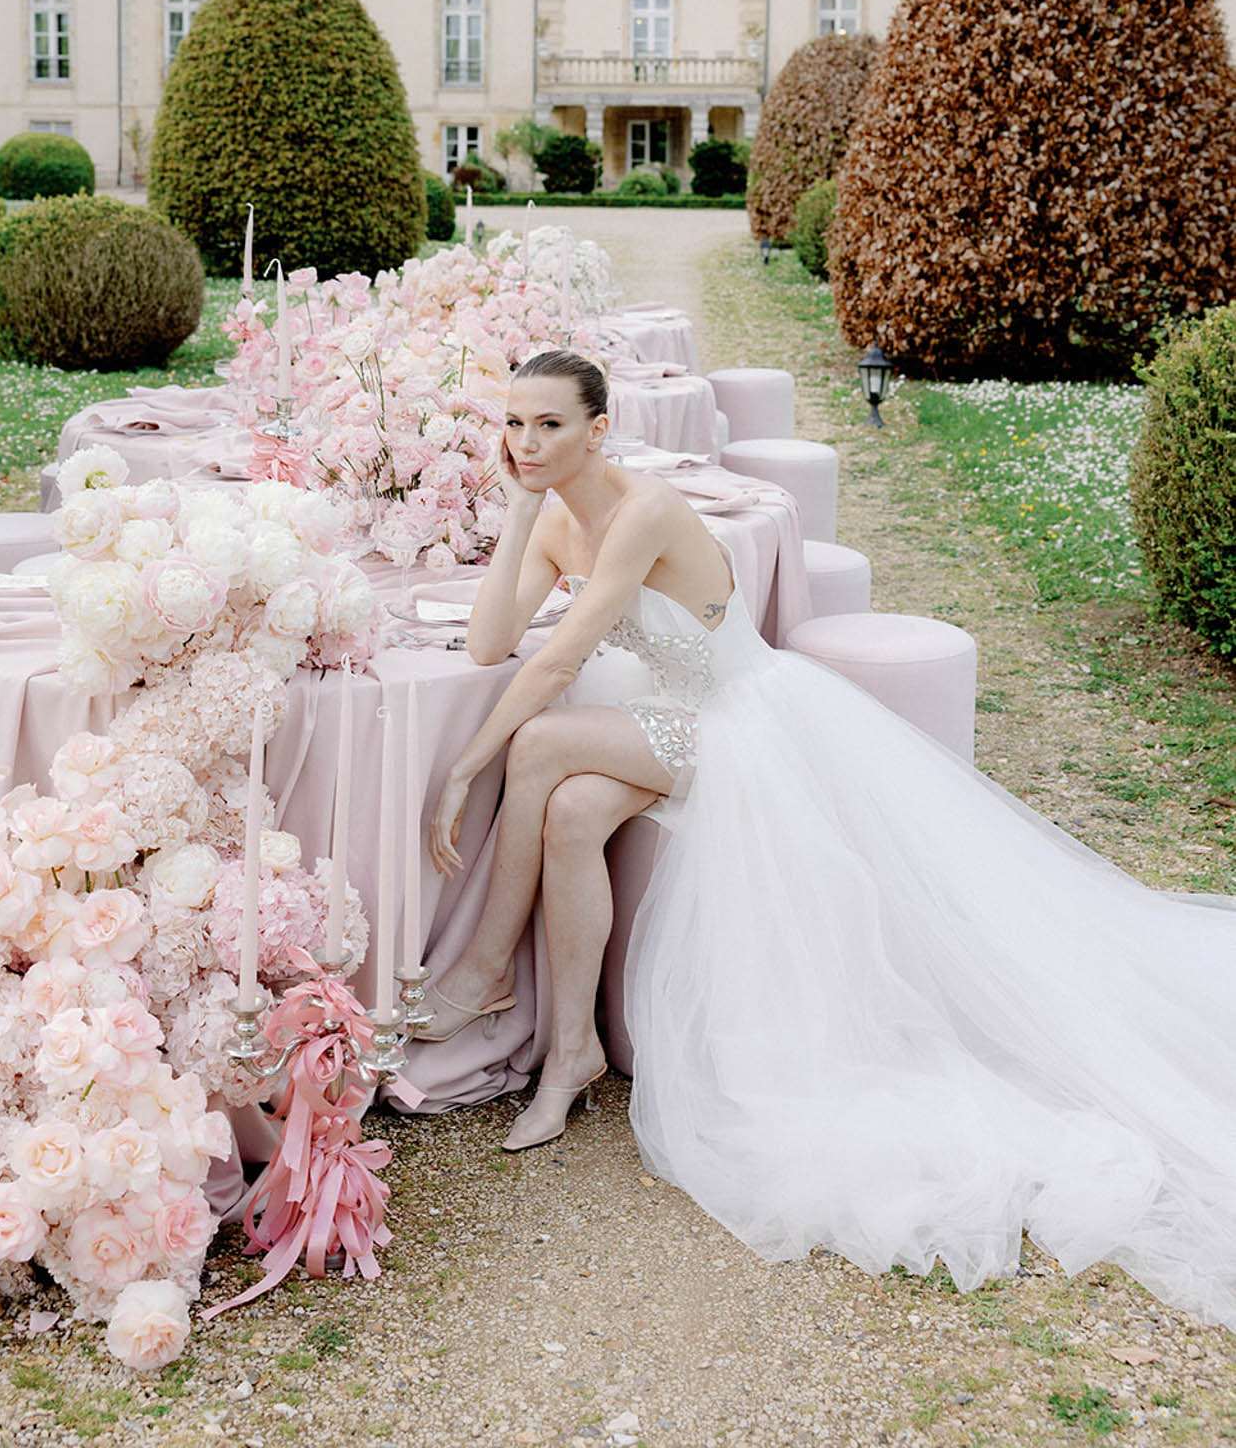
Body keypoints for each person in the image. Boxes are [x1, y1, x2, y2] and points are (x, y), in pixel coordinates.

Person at [421, 348, 1236, 1330]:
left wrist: (469, 765)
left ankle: (477, 972)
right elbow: (484, 640)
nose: (526, 442)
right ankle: (572, 1054)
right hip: (661, 712)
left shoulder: (639, 512)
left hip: (728, 720)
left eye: (548, 424)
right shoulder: (554, 512)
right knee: (570, 807)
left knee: (541, 741)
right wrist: (517, 512)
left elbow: (552, 663)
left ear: (600, 428)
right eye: (514, 424)